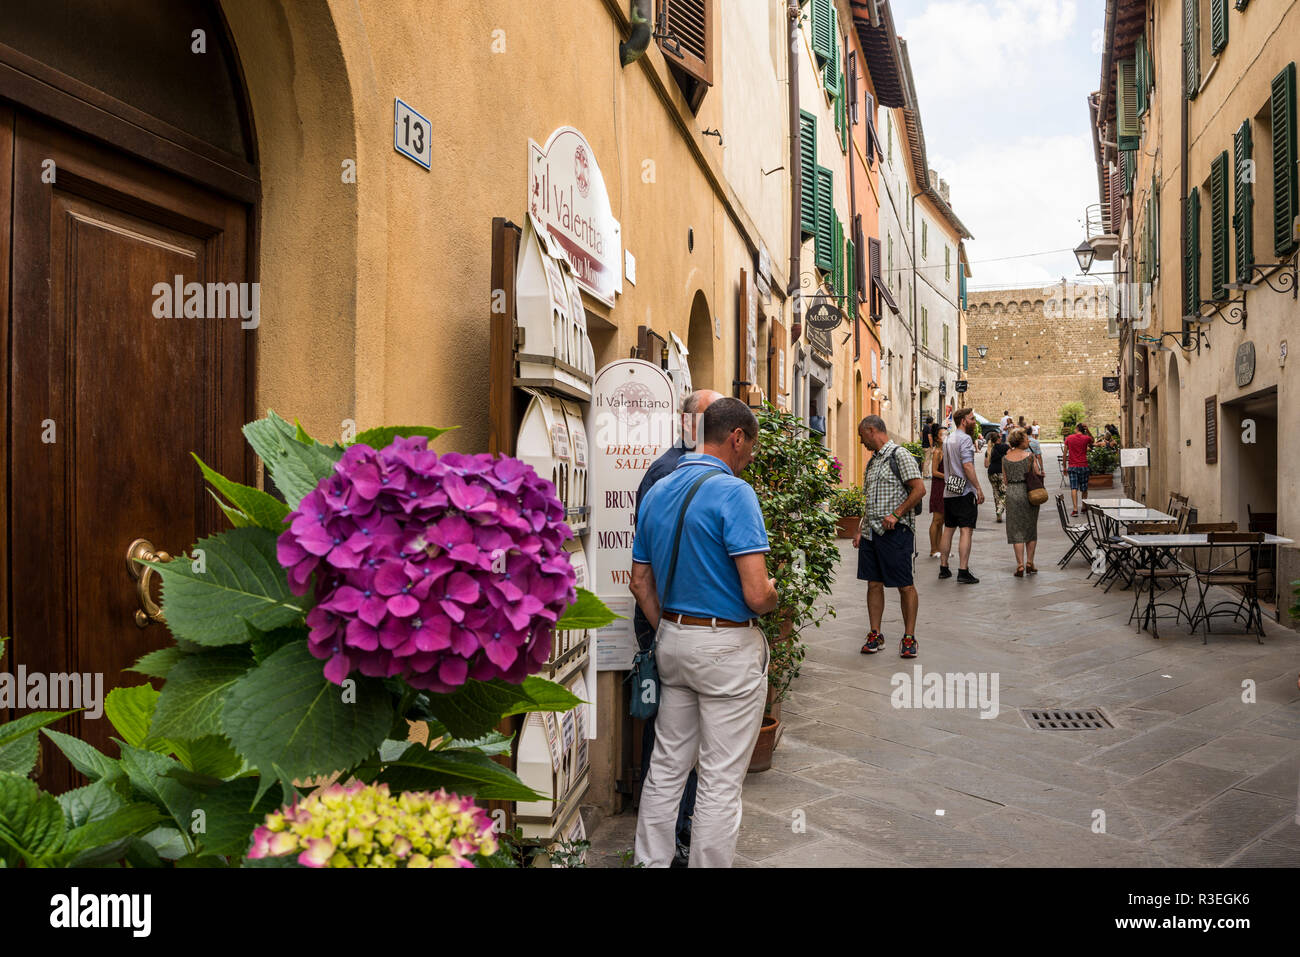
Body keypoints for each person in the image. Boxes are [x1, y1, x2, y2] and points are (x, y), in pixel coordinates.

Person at [630, 398, 778, 868]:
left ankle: (649, 862)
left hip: (672, 641)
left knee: (666, 769)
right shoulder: (735, 494)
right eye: (751, 446)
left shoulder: (657, 489)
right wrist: (775, 593)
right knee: (718, 780)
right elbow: (756, 594)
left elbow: (639, 581)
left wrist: (672, 629)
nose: (751, 455)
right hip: (726, 650)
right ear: (736, 437)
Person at [631, 388, 721, 867]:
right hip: (668, 626)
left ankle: (667, 842)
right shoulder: (673, 475)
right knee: (672, 748)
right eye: (714, 419)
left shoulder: (679, 470)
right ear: (692, 424)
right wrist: (667, 629)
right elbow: (644, 577)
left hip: (668, 626)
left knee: (674, 744)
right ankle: (674, 840)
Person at [854, 416, 925, 658]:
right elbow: (870, 499)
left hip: (896, 533)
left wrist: (897, 513)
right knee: (873, 583)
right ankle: (875, 634)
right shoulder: (873, 462)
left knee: (905, 585)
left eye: (862, 436)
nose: (861, 441)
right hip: (871, 533)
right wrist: (860, 528)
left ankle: (909, 637)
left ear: (871, 431)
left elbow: (919, 489)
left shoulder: (899, 455)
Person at [938, 407, 984, 583]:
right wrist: (978, 488)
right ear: (963, 421)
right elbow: (967, 466)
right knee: (966, 530)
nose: (974, 422)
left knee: (948, 528)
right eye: (972, 419)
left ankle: (944, 567)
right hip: (964, 489)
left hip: (950, 487)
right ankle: (963, 570)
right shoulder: (965, 440)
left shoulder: (948, 439)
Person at [1002, 427, 1043, 576]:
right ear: (1021, 441)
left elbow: (1005, 480)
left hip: (1012, 492)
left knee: (1015, 528)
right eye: (1026, 439)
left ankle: (1019, 564)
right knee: (1030, 527)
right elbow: (1037, 473)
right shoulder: (1030, 456)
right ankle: (1030, 562)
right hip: (1028, 492)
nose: (1028, 441)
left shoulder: (1005, 458)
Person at [1063, 421, 1095, 515]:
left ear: (1077, 429)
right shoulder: (1086, 438)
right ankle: (1084, 507)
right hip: (1083, 466)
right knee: (1084, 488)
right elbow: (1093, 440)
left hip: (1073, 466)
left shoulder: (1069, 438)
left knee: (1074, 487)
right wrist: (1088, 430)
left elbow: (1065, 454)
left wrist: (1064, 467)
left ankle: (1075, 509)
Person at [926, 427, 947, 559]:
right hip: (939, 487)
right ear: (937, 438)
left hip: (945, 487)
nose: (945, 435)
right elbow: (934, 472)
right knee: (937, 519)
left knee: (942, 520)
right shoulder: (937, 452)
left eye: (947, 433)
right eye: (942, 434)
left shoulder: (946, 451)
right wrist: (948, 476)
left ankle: (940, 548)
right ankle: (933, 549)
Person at [984, 429, 1010, 524]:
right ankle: (1000, 508)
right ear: (999, 439)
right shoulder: (1005, 447)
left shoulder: (989, 449)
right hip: (1001, 472)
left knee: (996, 493)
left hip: (991, 473)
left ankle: (998, 515)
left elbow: (986, 465)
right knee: (1005, 493)